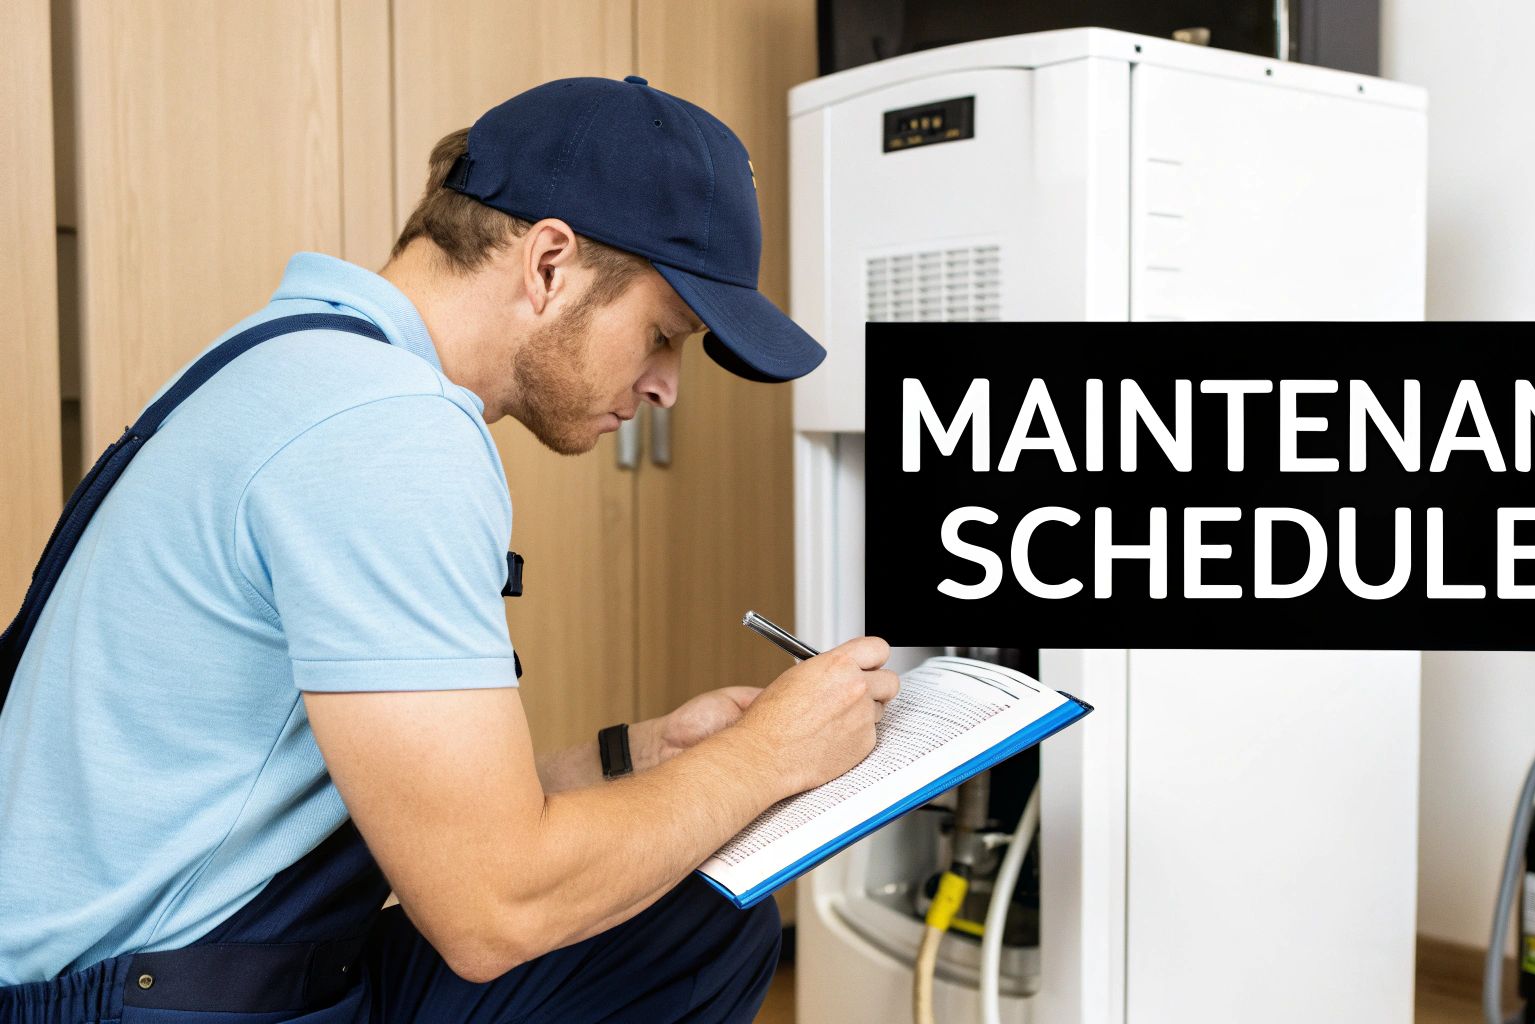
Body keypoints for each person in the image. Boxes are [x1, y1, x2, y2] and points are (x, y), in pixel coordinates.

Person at [0, 76, 898, 1023]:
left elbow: (408, 798)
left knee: (689, 917)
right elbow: (492, 908)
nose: (666, 386)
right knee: (684, 922)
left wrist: (649, 753)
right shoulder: (389, 428)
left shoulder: (288, 360)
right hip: (126, 1001)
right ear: (549, 262)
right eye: (662, 334)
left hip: (134, 968)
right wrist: (767, 757)